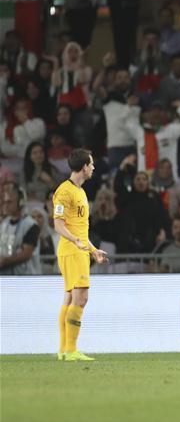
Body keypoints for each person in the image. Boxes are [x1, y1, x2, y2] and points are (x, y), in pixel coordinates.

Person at [51, 149, 109, 361]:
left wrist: (93, 251)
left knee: (69, 297)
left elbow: (80, 229)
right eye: (91, 164)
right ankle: (71, 349)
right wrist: (74, 241)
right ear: (84, 166)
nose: (93, 167)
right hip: (71, 250)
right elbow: (58, 224)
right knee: (81, 297)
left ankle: (64, 351)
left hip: (78, 250)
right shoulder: (64, 191)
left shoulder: (80, 192)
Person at [0, 186, 40, 275]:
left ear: (21, 203)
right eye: (5, 202)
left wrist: (5, 261)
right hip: (6, 276)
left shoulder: (31, 225)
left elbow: (26, 254)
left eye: (9, 202)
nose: (5, 205)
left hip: (25, 277)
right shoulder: (4, 224)